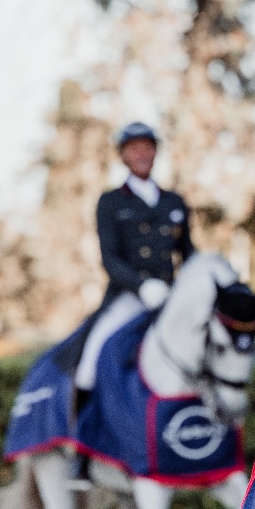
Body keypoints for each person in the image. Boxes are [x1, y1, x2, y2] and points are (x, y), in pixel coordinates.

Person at [76, 122, 194, 393]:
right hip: (127, 296)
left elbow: (188, 253)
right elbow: (109, 258)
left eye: (147, 148)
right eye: (134, 148)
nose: (142, 154)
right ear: (123, 156)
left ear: (155, 153)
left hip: (170, 295)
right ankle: (79, 428)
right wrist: (142, 286)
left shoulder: (174, 202)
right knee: (90, 361)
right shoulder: (111, 202)